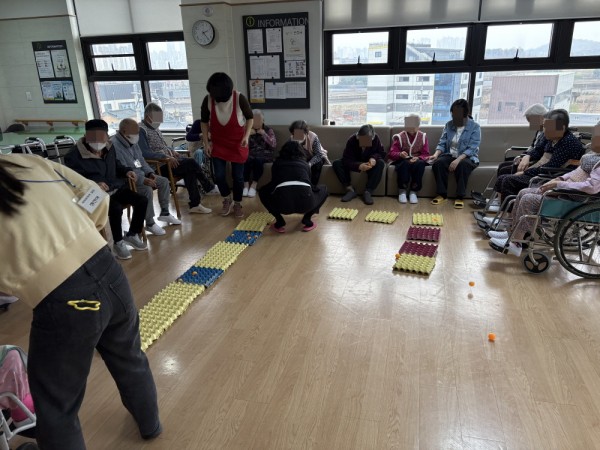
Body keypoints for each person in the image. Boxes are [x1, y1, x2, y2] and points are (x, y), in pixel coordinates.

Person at [0, 154, 161, 450]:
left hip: (63, 299)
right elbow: (96, 196)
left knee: (55, 403)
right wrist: (83, 232)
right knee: (129, 356)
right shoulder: (24, 161)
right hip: (107, 268)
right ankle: (150, 425)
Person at [489, 122, 600, 256]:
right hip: (564, 192)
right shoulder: (593, 156)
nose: (592, 138)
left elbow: (592, 187)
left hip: (575, 199)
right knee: (523, 192)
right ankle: (512, 232)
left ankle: (517, 242)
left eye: (596, 135)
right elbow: (574, 172)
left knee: (528, 199)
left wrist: (559, 184)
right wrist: (560, 179)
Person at [64, 119, 148, 260]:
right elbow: (73, 180)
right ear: (86, 136)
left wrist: (127, 171)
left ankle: (132, 234)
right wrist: (94, 183)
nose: (98, 141)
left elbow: (116, 164)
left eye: (102, 137)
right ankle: (118, 242)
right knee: (115, 208)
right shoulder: (73, 156)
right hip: (93, 194)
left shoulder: (109, 147)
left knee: (142, 200)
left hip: (114, 187)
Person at [492, 109, 584, 203]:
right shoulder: (551, 137)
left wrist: (525, 172)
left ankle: (509, 210)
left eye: (548, 127)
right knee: (505, 174)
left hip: (549, 177)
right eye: (544, 126)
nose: (544, 130)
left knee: (507, 180)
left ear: (562, 128)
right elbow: (538, 150)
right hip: (541, 170)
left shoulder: (568, 142)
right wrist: (527, 156)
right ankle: (502, 205)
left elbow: (551, 167)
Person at [139, 103, 214, 214]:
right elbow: (144, 153)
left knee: (190, 170)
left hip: (167, 162)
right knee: (190, 162)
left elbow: (162, 146)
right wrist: (166, 157)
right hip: (157, 167)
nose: (160, 122)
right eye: (157, 118)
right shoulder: (141, 130)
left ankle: (195, 204)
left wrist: (171, 150)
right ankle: (208, 187)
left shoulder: (155, 128)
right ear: (148, 117)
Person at [112, 118, 181, 236]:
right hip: (128, 180)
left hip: (141, 174)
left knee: (163, 181)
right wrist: (143, 179)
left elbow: (141, 161)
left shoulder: (132, 142)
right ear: (124, 131)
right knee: (146, 189)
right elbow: (123, 169)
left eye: (137, 132)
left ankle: (165, 213)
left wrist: (150, 173)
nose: (137, 135)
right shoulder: (115, 145)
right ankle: (150, 223)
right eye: (135, 132)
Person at [200, 72, 254, 218]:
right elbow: (204, 122)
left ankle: (237, 203)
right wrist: (206, 143)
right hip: (218, 144)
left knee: (238, 177)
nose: (216, 99)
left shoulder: (239, 98)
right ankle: (226, 199)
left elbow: (250, 118)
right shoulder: (208, 100)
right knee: (219, 176)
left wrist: (246, 136)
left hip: (238, 143)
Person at [258, 141, 329, 232]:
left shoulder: (277, 163)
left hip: (283, 205)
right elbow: (310, 185)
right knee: (324, 189)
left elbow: (273, 184)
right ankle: (307, 219)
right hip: (306, 204)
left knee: (262, 191)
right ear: (301, 151)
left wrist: (266, 191)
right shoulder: (305, 164)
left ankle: (279, 222)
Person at [429, 99, 481, 209]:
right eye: (453, 115)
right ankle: (442, 195)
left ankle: (460, 196)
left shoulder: (475, 127)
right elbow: (442, 142)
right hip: (450, 155)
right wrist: (436, 155)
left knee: (463, 165)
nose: (454, 118)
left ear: (465, 114)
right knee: (438, 163)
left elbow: (472, 148)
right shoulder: (449, 125)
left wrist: (458, 160)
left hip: (467, 157)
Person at [332, 124, 386, 205]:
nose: (364, 143)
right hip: (355, 162)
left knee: (381, 163)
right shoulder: (352, 140)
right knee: (337, 163)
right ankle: (350, 190)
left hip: (369, 163)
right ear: (358, 137)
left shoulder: (376, 139)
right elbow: (346, 159)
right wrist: (359, 166)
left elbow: (381, 153)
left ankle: (368, 191)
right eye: (362, 140)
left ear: (372, 138)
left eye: (367, 141)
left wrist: (373, 158)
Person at [388, 114, 430, 204]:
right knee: (404, 164)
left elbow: (426, 154)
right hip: (403, 160)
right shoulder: (399, 136)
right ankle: (402, 191)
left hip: (417, 160)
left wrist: (418, 158)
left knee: (420, 164)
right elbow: (392, 153)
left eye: (413, 126)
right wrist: (400, 154)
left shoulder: (423, 136)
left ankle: (413, 191)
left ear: (418, 126)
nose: (411, 128)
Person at [244, 109, 276, 197]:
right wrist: (247, 135)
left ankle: (254, 185)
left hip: (264, 154)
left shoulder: (268, 130)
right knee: (245, 159)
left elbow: (273, 145)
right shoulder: (246, 129)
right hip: (250, 153)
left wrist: (264, 134)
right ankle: (245, 185)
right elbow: (240, 145)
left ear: (263, 120)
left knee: (258, 160)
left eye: (259, 120)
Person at [288, 120, 325, 186]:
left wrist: (310, 164)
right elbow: (289, 154)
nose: (297, 136)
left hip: (314, 157)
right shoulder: (291, 138)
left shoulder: (313, 137)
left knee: (318, 164)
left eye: (300, 134)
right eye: (295, 134)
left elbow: (319, 154)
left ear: (306, 133)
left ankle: (312, 187)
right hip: (301, 159)